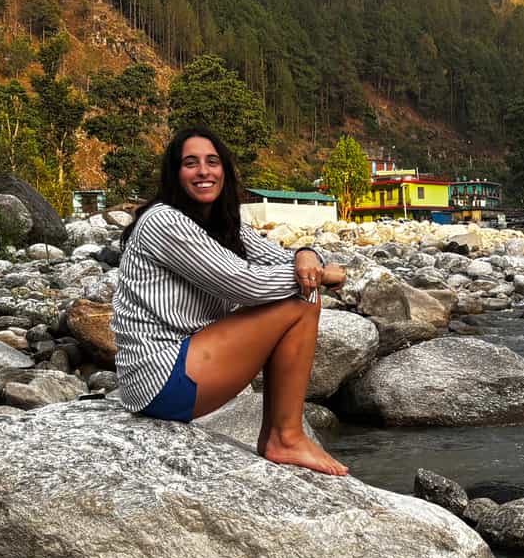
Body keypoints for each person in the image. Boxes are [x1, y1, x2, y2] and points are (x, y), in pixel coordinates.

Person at [112, 126, 349, 476]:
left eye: (212, 161)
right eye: (191, 163)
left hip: (186, 367)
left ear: (224, 169)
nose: (204, 171)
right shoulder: (163, 222)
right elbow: (245, 284)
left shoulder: (224, 224)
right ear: (175, 175)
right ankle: (286, 437)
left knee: (302, 290)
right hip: (160, 378)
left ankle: (277, 436)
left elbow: (281, 260)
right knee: (302, 301)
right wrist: (317, 274)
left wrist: (306, 253)